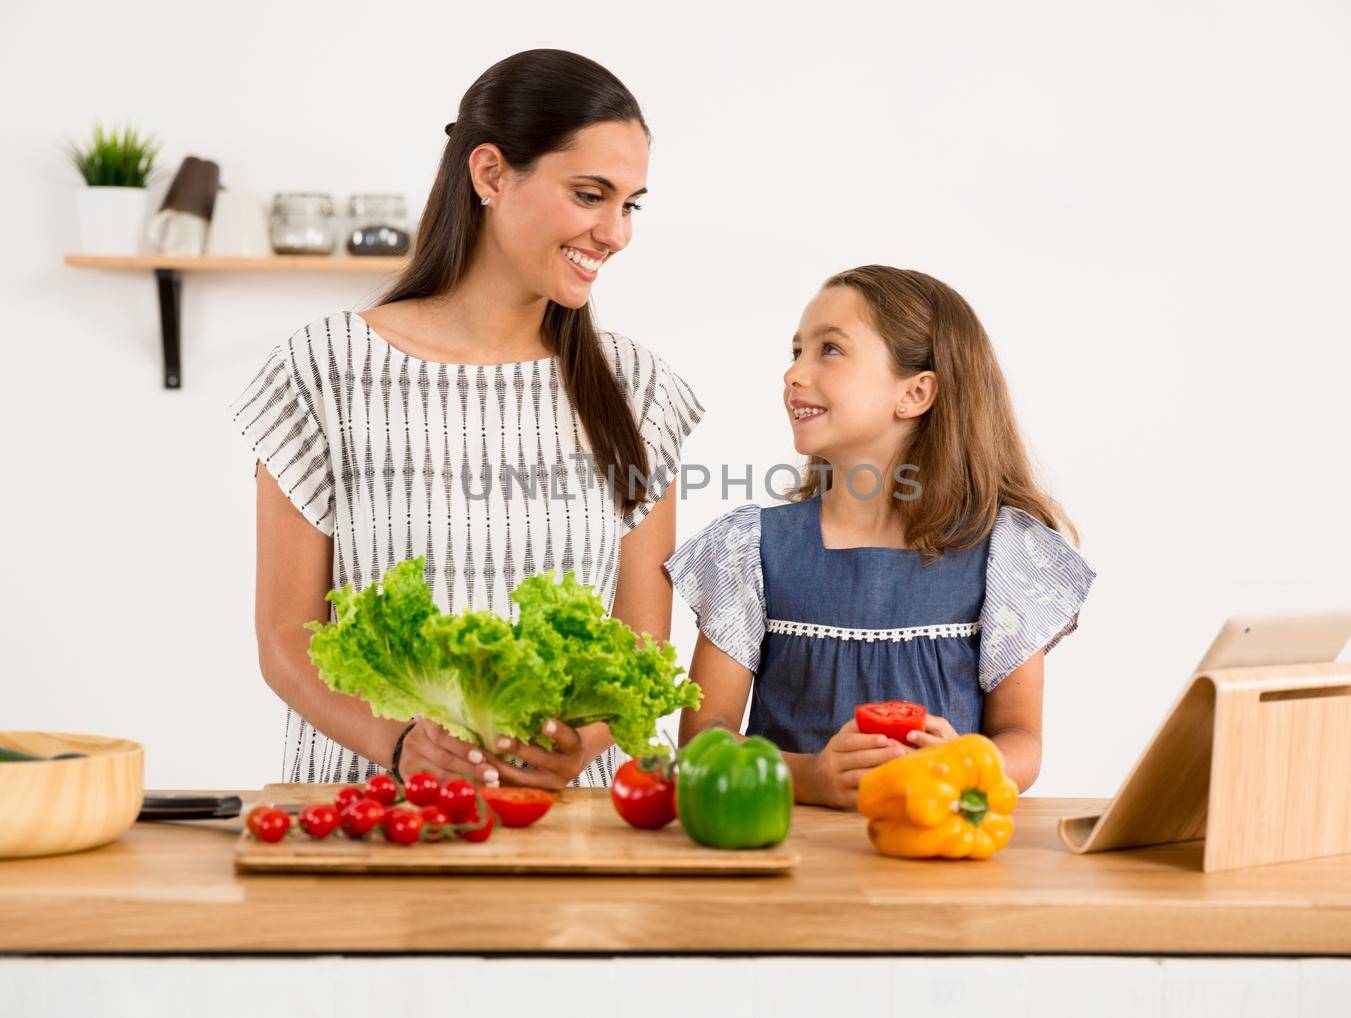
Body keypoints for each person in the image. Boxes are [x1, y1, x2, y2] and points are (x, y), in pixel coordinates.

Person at [230, 50, 702, 789]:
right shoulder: (323, 369)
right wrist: (399, 744)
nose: (616, 233)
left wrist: (585, 739)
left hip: (564, 829)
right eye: (590, 195)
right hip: (375, 818)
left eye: (630, 204)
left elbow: (639, 647)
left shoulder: (634, 388)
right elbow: (286, 637)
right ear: (489, 174)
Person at [666, 265, 1092, 808]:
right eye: (796, 351)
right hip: (790, 857)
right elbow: (703, 742)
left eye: (830, 350)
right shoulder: (750, 548)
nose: (794, 373)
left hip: (936, 858)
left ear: (914, 393)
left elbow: (1022, 741)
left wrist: (962, 762)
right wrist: (810, 777)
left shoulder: (1002, 554)